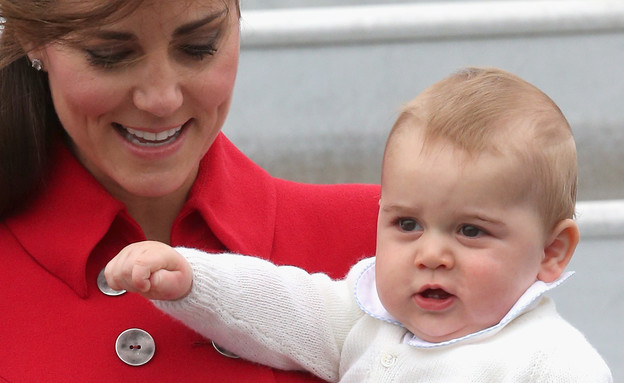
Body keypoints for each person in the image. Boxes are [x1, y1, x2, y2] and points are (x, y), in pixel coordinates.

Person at [106, 67, 613, 382]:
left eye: (470, 231)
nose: (431, 253)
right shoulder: (369, 317)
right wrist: (190, 279)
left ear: (551, 251)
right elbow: (284, 305)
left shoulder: (552, 363)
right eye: (408, 223)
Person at [0, 1, 379, 381]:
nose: (163, 99)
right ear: (34, 39)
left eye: (199, 46)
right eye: (110, 55)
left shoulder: (390, 244)